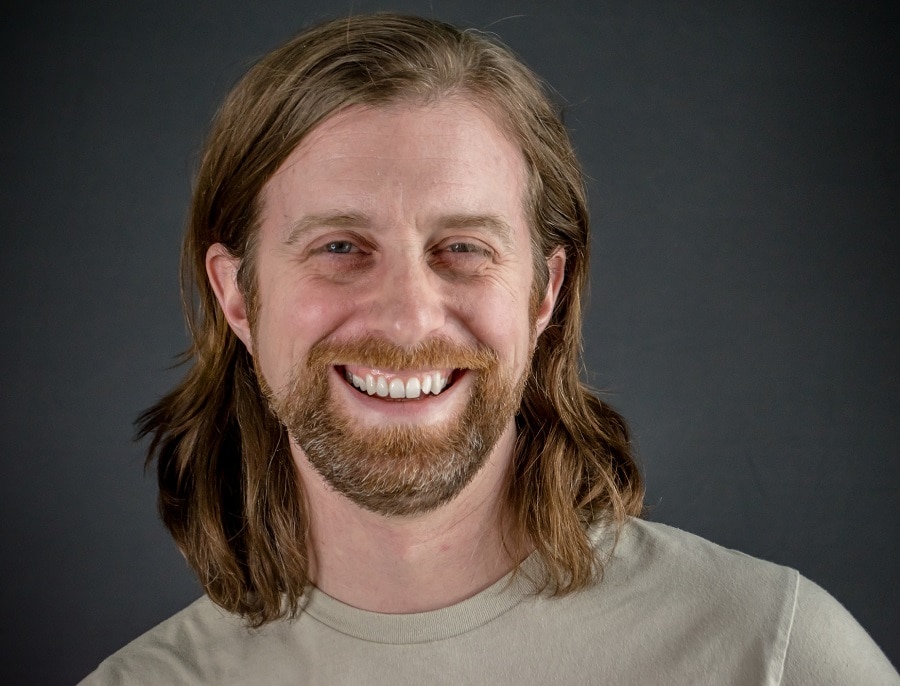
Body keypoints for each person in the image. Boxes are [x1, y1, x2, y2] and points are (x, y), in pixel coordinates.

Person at [81, 13, 897, 685]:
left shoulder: (774, 655)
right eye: (339, 247)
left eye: (462, 247)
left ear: (544, 292)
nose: (406, 321)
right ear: (237, 296)